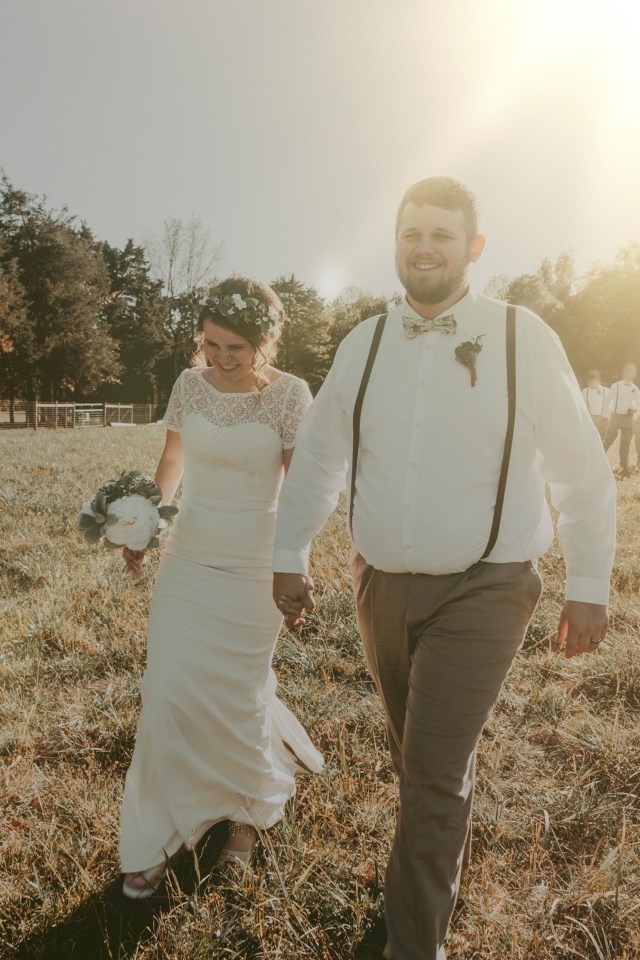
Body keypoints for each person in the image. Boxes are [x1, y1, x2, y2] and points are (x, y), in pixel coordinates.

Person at [272, 177, 616, 960]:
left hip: (487, 586)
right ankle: (443, 862)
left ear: (474, 248)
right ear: (395, 243)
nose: (423, 247)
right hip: (379, 584)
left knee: (429, 771)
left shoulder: (524, 336)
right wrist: (288, 553)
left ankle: (411, 943)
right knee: (418, 760)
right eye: (410, 234)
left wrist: (588, 583)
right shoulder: (362, 342)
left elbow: (580, 470)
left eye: (441, 235)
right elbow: (322, 457)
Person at [118, 276, 323, 899]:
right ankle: (154, 833)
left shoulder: (290, 395)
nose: (223, 358)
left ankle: (246, 814)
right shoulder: (188, 385)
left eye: (237, 347)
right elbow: (173, 462)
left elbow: (302, 492)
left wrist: (294, 566)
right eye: (212, 344)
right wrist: (145, 519)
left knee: (237, 696)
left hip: (255, 567)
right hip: (189, 561)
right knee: (168, 691)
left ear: (265, 340)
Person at [603, 362, 639, 478]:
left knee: (626, 443)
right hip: (615, 415)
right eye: (628, 372)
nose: (630, 375)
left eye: (632, 373)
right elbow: (608, 400)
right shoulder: (616, 385)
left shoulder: (635, 388)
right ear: (624, 373)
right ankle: (598, 460)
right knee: (609, 438)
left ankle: (624, 467)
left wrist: (636, 413)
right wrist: (606, 415)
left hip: (629, 418)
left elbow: (638, 404)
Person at [582, 369, 609, 440]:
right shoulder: (585, 391)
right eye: (590, 381)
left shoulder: (605, 391)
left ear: (598, 380)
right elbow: (583, 405)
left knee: (601, 437)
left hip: (602, 417)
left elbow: (607, 405)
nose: (592, 383)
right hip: (590, 417)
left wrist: (605, 417)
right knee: (590, 437)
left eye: (594, 381)